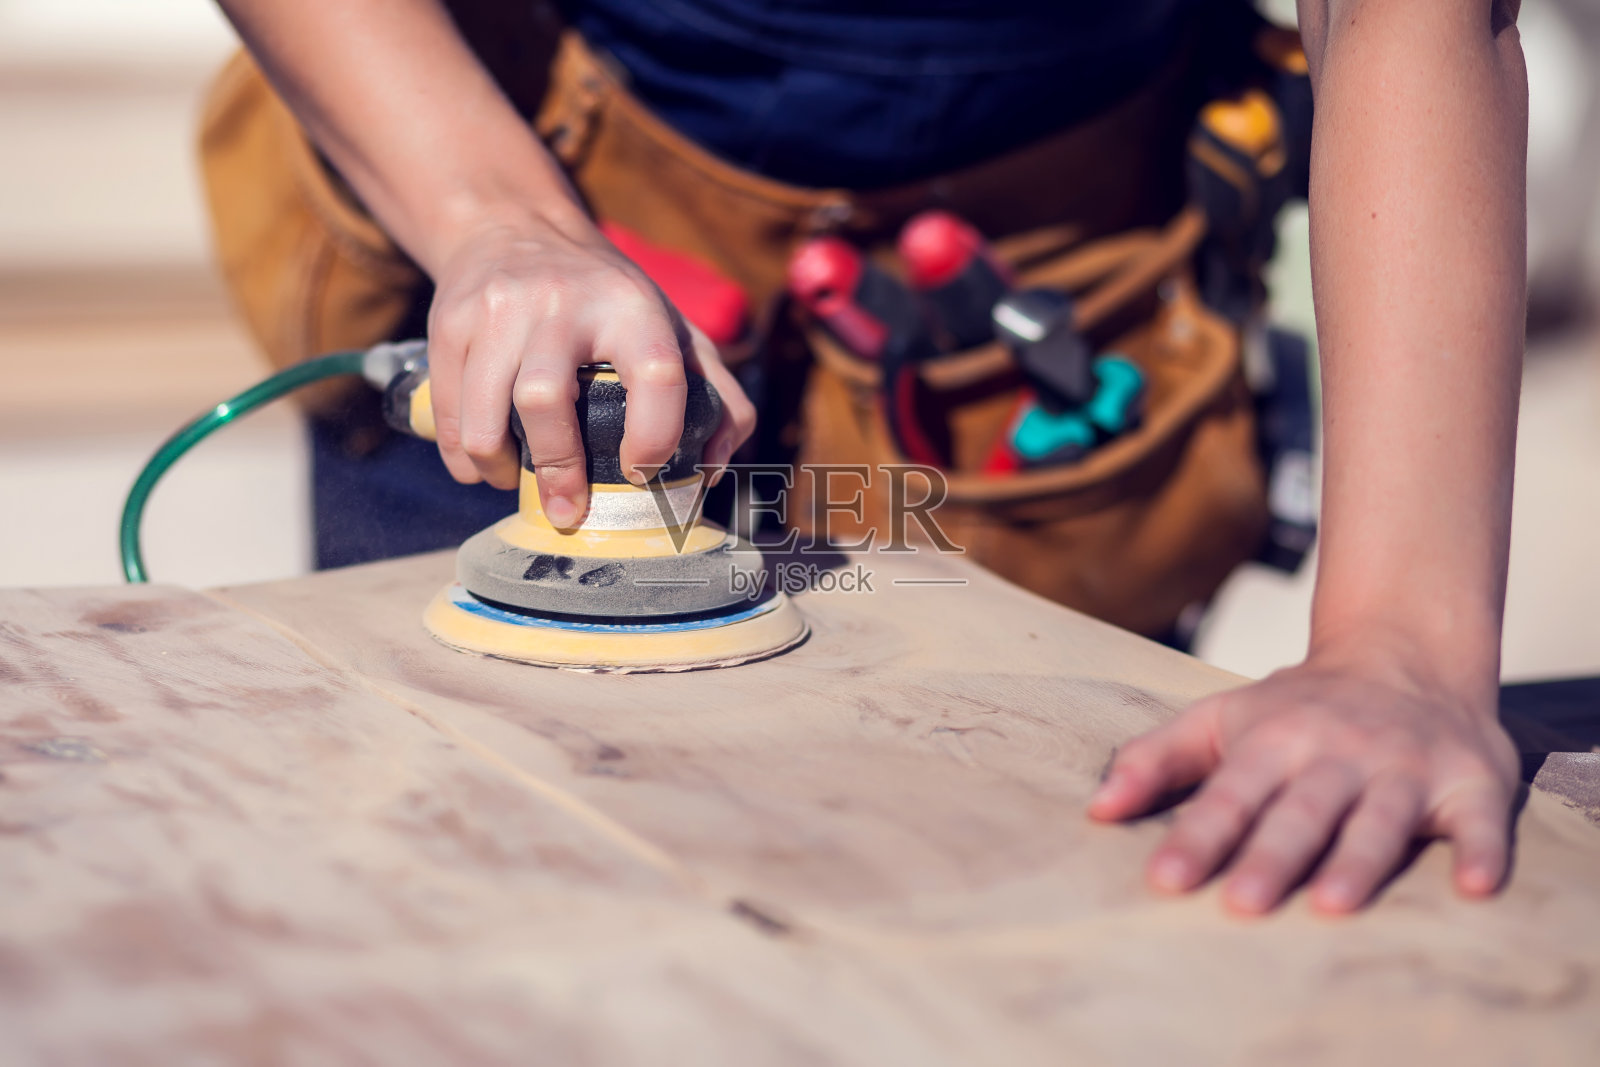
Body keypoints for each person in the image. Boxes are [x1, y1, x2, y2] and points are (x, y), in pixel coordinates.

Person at [204, 0, 1528, 915]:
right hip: (501, 222)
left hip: (1021, 341)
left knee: (1008, 921)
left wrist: (1399, 646)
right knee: (473, 906)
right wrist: (494, 219)